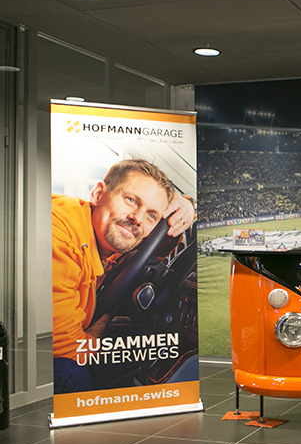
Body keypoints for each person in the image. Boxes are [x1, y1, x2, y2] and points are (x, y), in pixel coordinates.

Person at [52, 159, 195, 392]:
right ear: (98, 194)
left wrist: (187, 204)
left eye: (151, 215)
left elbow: (154, 249)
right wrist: (105, 318)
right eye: (131, 200)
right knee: (71, 373)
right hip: (35, 360)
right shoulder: (60, 239)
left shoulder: (106, 237)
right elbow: (67, 350)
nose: (137, 218)